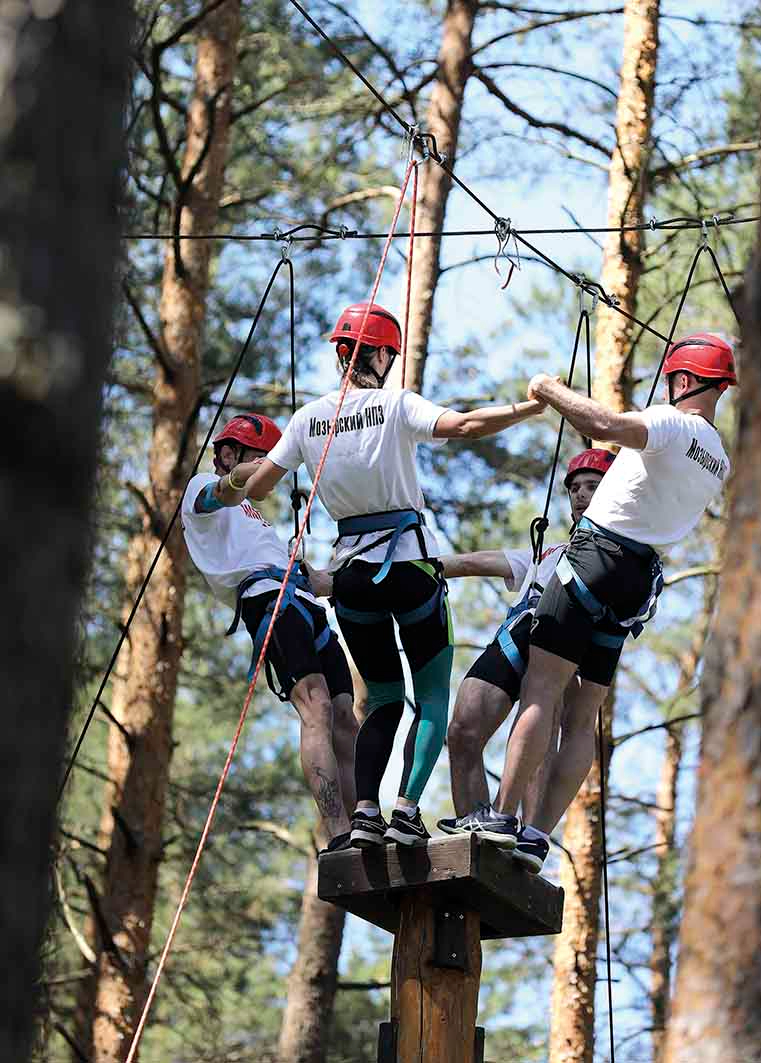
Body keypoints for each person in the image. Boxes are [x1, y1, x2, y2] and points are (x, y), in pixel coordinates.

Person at [241, 302, 546, 848]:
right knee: (431, 697)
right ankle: (405, 810)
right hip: (409, 569)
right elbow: (466, 425)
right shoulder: (396, 404)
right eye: (390, 353)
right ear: (380, 354)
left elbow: (259, 485)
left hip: (351, 576)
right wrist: (529, 409)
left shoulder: (307, 418)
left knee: (381, 700)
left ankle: (364, 814)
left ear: (340, 353)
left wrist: (230, 480)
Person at [449, 332, 737, 869]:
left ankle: (502, 817)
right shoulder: (717, 457)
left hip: (595, 556)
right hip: (637, 581)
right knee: (581, 718)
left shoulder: (673, 423)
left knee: (542, 687)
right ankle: (536, 836)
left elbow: (601, 426)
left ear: (682, 379)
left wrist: (548, 389)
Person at [182, 413, 357, 852]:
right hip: (267, 599)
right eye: (262, 459)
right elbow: (221, 491)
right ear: (228, 454)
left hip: (302, 600)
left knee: (345, 719)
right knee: (316, 706)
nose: (271, 471)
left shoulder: (253, 516)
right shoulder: (204, 489)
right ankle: (338, 835)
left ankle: (361, 828)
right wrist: (272, 463)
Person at [436, 449, 616, 871]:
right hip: (520, 630)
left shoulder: (616, 556)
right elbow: (468, 562)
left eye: (591, 487)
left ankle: (527, 834)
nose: (579, 495)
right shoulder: (544, 552)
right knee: (461, 731)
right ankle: (477, 830)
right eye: (574, 488)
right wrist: (408, 565)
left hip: (562, 648)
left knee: (545, 715)